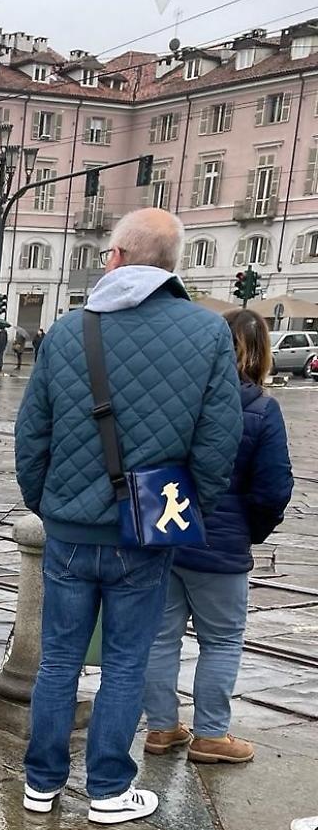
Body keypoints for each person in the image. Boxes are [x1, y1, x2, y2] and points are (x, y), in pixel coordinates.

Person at [14, 209, 241, 825]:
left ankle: (41, 784)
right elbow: (221, 441)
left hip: (67, 531)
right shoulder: (206, 332)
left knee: (59, 659)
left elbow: (31, 435)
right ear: (172, 267)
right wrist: (188, 509)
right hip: (147, 530)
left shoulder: (67, 332)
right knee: (125, 660)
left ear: (116, 257)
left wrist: (50, 506)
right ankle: (110, 790)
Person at [142, 309, 293, 766]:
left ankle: (162, 728)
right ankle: (210, 735)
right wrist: (251, 530)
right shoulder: (262, 410)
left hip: (167, 533)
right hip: (222, 547)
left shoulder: (177, 399)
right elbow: (273, 488)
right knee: (223, 640)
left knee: (161, 637)